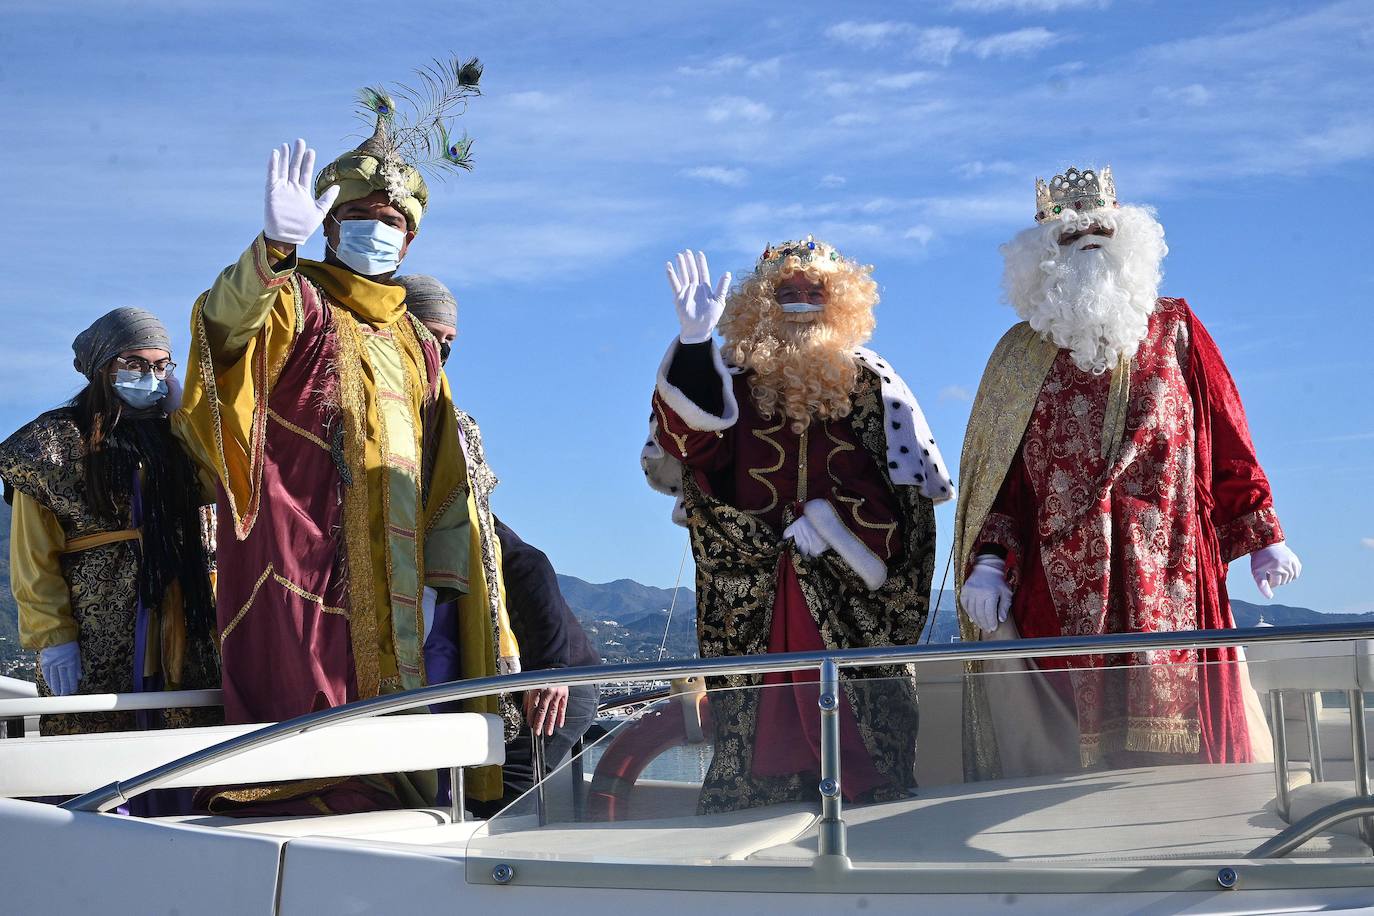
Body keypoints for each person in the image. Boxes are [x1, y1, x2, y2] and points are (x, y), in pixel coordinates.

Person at [171, 61, 515, 813]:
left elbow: (445, 475)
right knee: (306, 720)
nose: (379, 229)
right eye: (362, 215)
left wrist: (442, 578)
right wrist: (269, 253)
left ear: (412, 238)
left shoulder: (418, 343)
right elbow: (226, 335)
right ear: (329, 224)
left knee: (393, 727)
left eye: (394, 223)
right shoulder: (299, 301)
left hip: (400, 565)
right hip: (304, 553)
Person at [955, 166, 1301, 779]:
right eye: (1069, 237)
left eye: (1101, 232)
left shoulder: (1177, 328)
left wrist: (1263, 531)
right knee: (1063, 757)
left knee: (1184, 734)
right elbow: (1000, 478)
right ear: (1041, 259)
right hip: (1056, 582)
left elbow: (1226, 432)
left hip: (1172, 567)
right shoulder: (1018, 354)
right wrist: (987, 560)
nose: (1088, 243)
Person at [641, 241, 954, 813]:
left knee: (856, 722)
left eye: (816, 294)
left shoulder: (871, 381)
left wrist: (834, 526)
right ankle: (758, 804)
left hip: (848, 585)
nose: (802, 305)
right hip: (752, 576)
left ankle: (869, 802)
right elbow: (691, 450)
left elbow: (904, 495)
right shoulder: (729, 378)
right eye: (788, 294)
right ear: (762, 304)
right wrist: (693, 344)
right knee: (761, 712)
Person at [398, 274, 600, 813]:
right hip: (503, 675)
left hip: (553, 678)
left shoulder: (470, 514)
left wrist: (554, 671)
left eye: (448, 342)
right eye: (426, 334)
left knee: (496, 803)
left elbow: (530, 564)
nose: (438, 350)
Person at [0, 308, 220, 737]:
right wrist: (53, 635)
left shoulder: (179, 438)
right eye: (134, 364)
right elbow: (32, 554)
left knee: (186, 725)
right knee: (97, 728)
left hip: (183, 611)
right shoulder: (50, 444)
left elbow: (224, 485)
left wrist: (189, 421)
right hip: (95, 619)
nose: (150, 375)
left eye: (160, 366)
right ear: (104, 369)